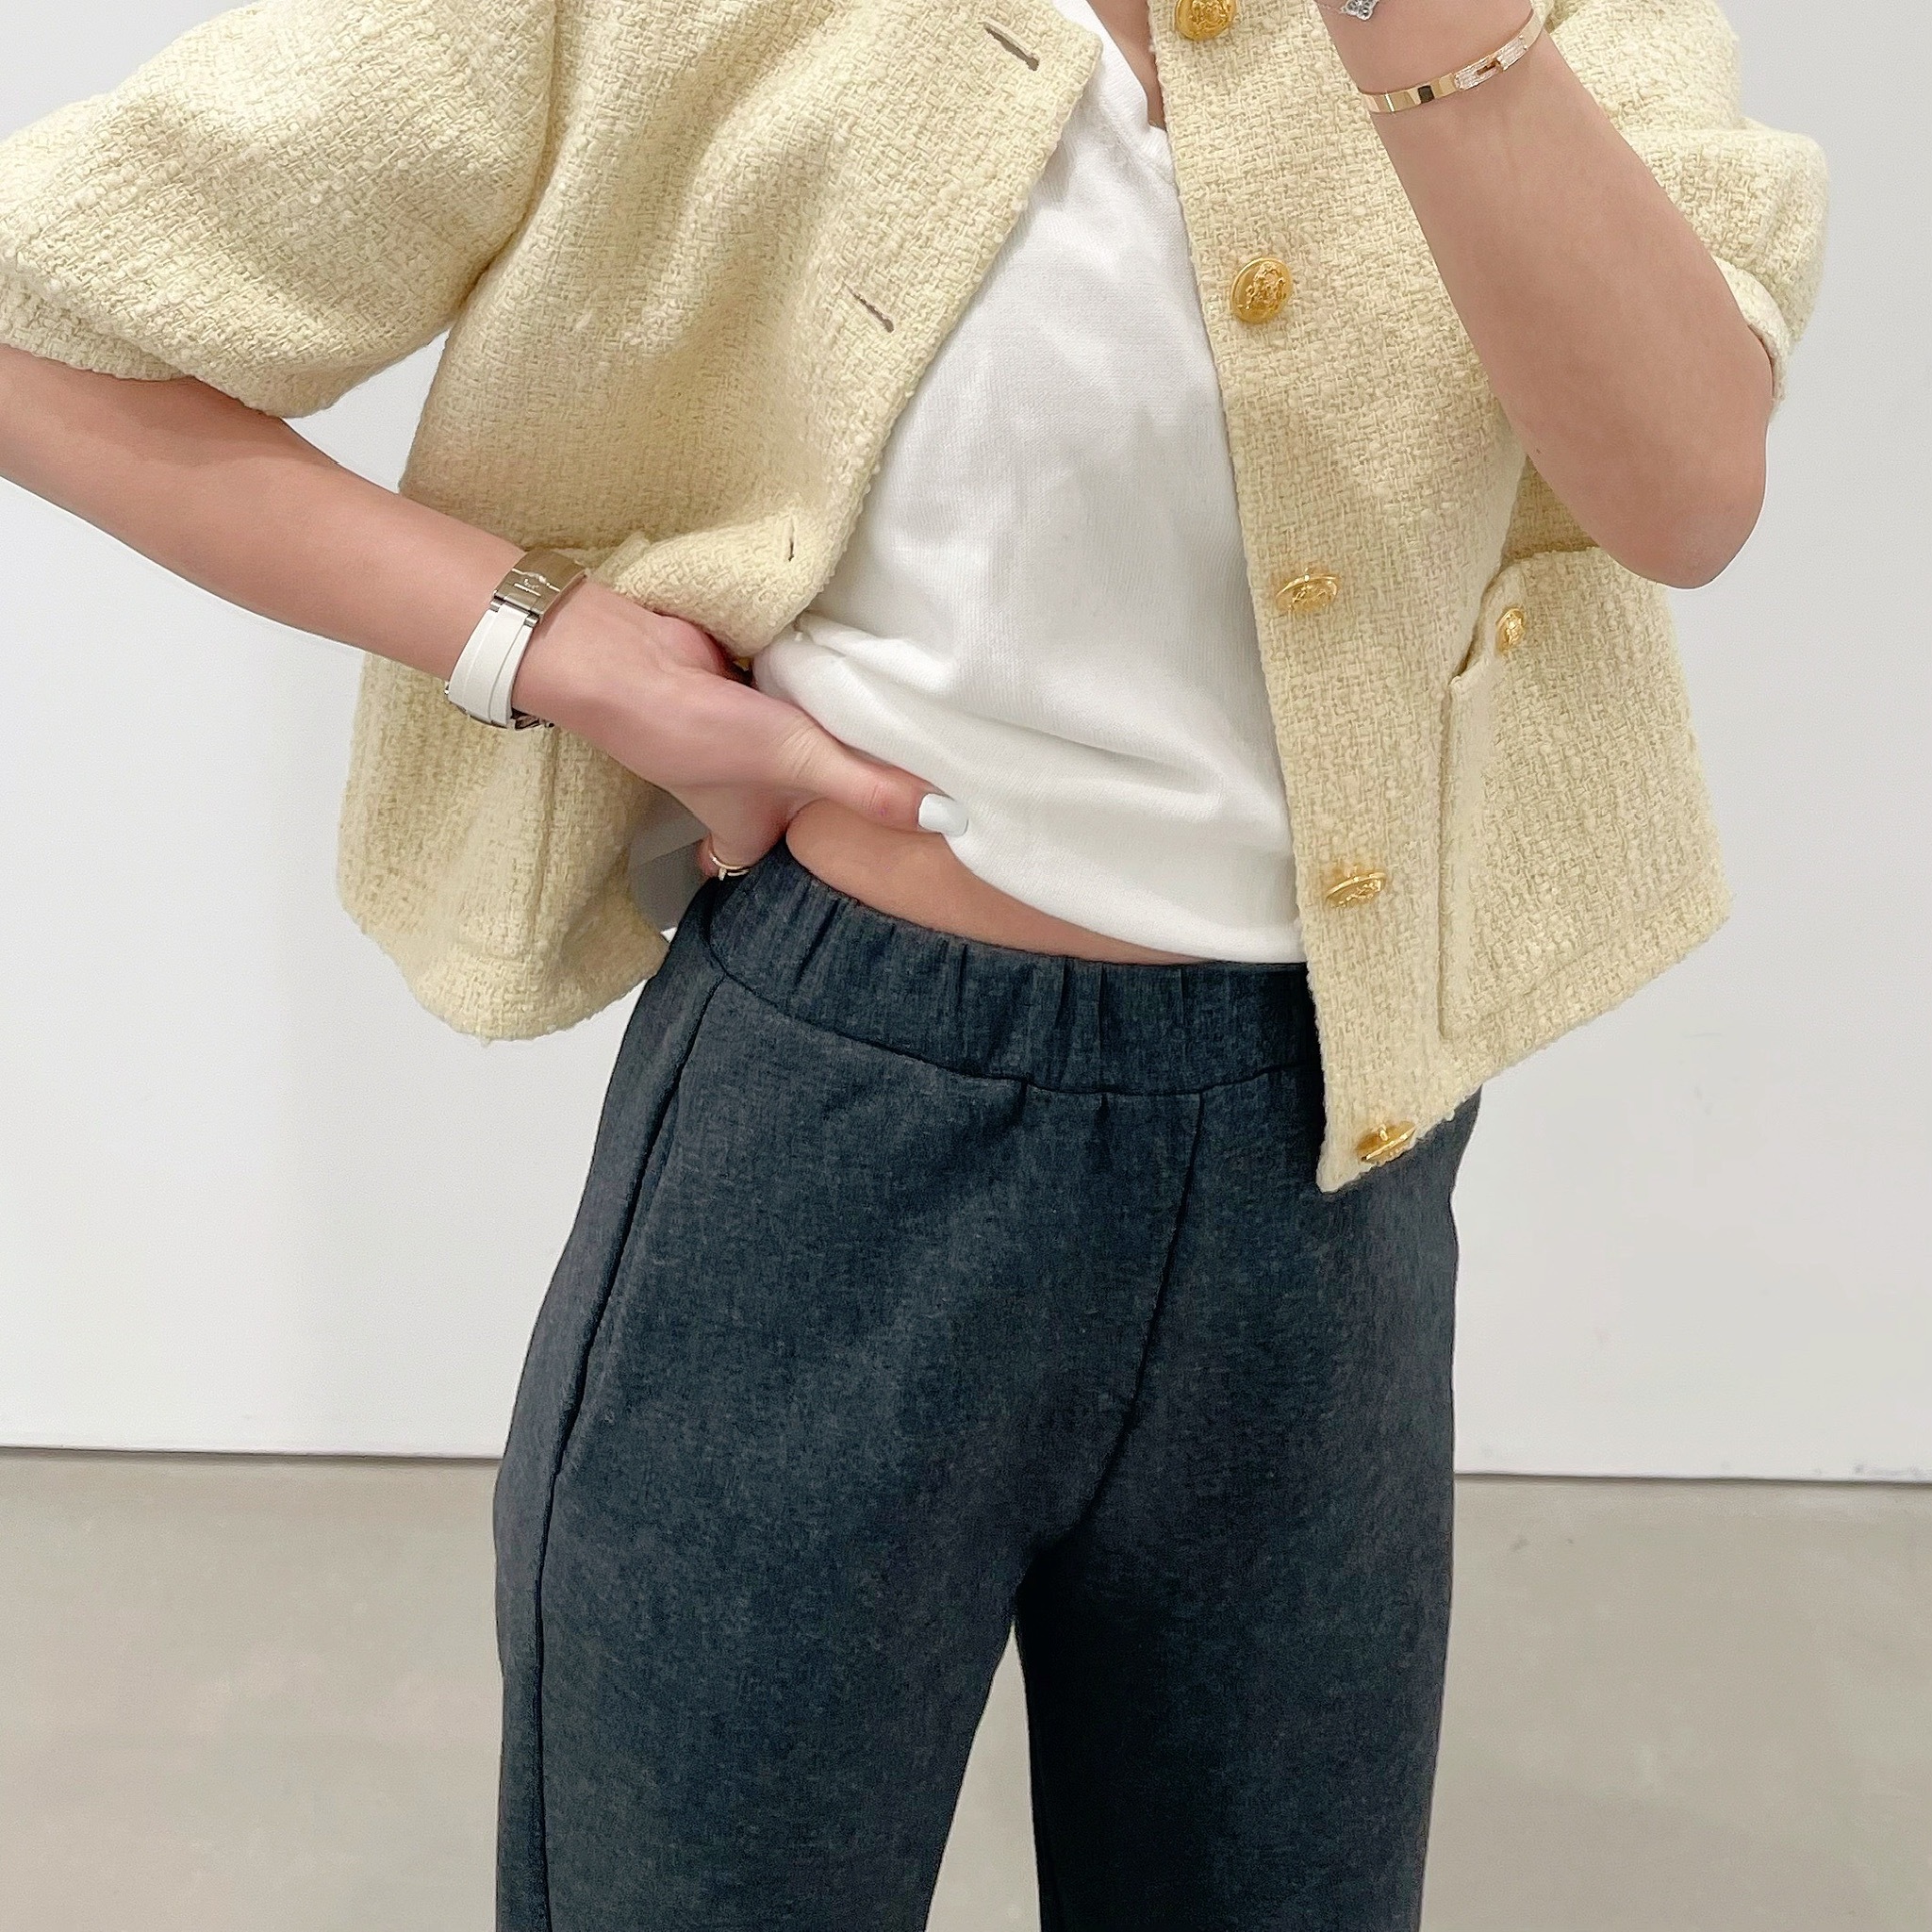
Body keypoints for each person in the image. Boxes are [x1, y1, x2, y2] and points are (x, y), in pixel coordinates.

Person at [0, 0, 1825, 1923]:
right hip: (831, 1142)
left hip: (1329, 1170)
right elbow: (47, 310)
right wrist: (543, 637)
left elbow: (1682, 488)